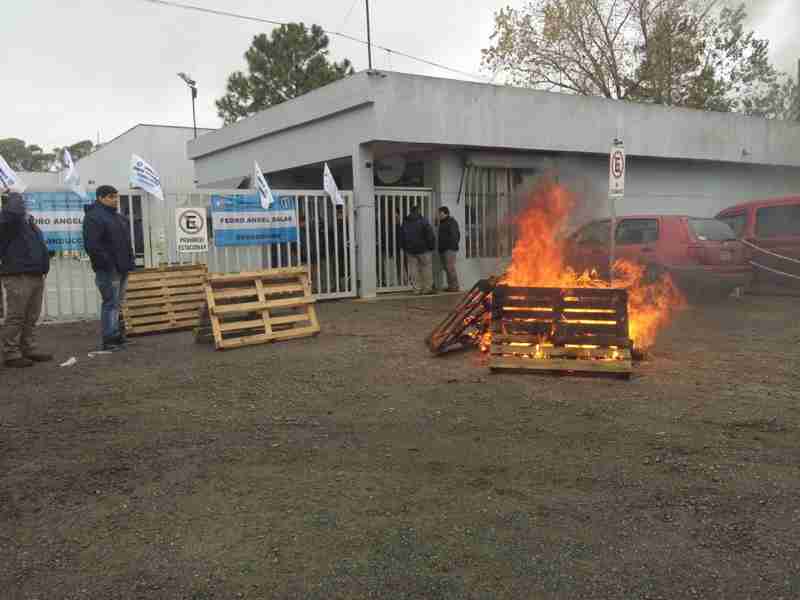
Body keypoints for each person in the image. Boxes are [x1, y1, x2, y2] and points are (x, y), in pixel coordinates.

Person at [0, 191, 53, 368]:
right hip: (18, 274)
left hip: (34, 273)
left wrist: (44, 264)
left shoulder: (28, 223)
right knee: (16, 316)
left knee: (31, 316)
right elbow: (13, 211)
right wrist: (14, 194)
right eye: (22, 201)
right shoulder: (8, 221)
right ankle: (11, 353)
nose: (25, 204)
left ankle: (28, 348)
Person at [82, 185, 135, 351]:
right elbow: (92, 245)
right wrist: (108, 264)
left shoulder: (119, 218)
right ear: (101, 197)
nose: (115, 199)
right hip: (108, 269)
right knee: (110, 303)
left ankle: (117, 335)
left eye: (116, 196)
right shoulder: (94, 217)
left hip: (122, 267)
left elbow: (126, 243)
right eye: (111, 196)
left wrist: (129, 261)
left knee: (117, 303)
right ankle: (109, 339)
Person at [399, 204, 435, 295]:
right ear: (418, 211)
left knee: (413, 270)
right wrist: (431, 247)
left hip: (410, 250)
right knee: (426, 269)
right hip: (424, 250)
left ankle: (416, 289)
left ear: (410, 212)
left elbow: (402, 236)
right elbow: (430, 235)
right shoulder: (423, 221)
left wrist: (404, 247)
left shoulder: (405, 222)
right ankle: (427, 288)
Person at [437, 206, 461, 292]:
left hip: (449, 249)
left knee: (450, 268)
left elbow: (455, 236)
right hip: (444, 249)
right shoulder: (443, 222)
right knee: (447, 268)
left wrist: (451, 245)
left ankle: (455, 286)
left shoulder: (451, 222)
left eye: (440, 213)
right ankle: (451, 286)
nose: (438, 215)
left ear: (445, 213)